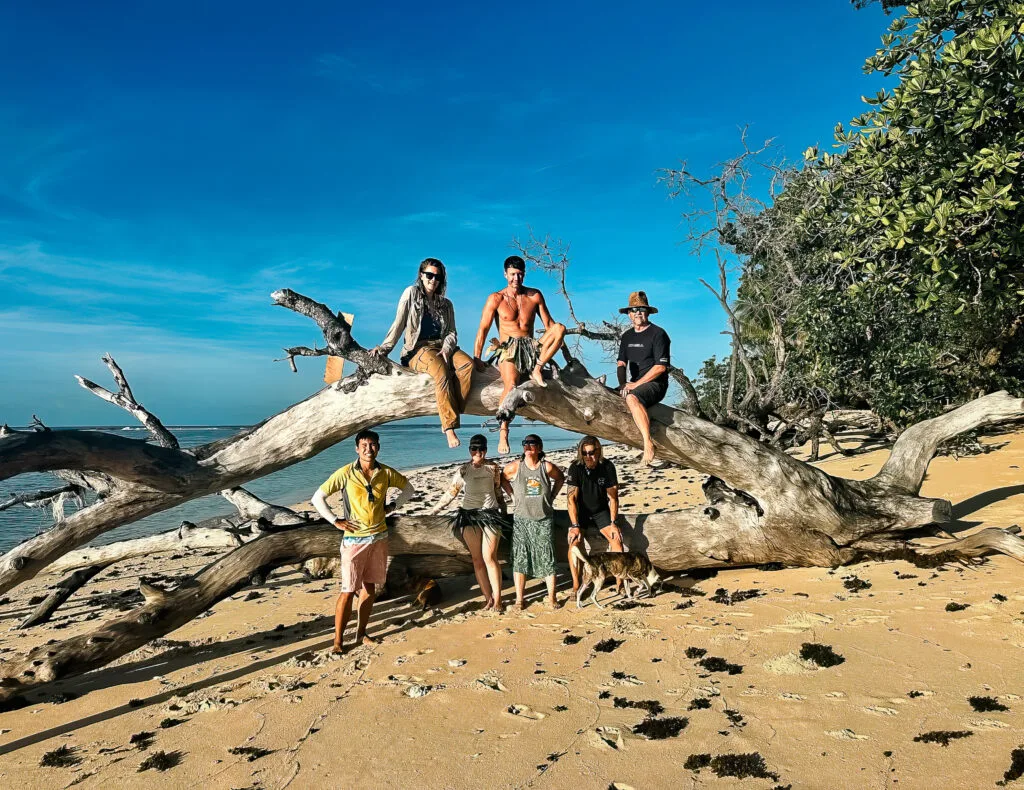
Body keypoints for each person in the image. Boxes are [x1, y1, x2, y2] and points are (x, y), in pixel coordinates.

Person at [311, 429, 414, 654]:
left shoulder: (385, 473)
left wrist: (393, 506)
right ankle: (338, 641)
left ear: (379, 447)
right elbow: (317, 498)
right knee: (348, 590)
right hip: (354, 541)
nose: (369, 449)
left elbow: (409, 488)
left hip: (379, 537)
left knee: (369, 588)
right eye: (364, 445)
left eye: (373, 444)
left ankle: (362, 633)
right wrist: (335, 521)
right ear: (357, 449)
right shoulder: (346, 473)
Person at [373, 258, 473, 448]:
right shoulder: (411, 293)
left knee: (468, 365)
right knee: (441, 371)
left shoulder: (446, 304)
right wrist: (384, 348)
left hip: (442, 346)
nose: (433, 280)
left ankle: (453, 408)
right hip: (417, 349)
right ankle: (449, 427)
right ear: (421, 275)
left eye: (437, 277)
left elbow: (452, 332)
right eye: (429, 275)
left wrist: (446, 348)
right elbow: (399, 323)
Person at [474, 255, 567, 455]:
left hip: (532, 347)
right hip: (509, 349)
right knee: (511, 387)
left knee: (560, 328)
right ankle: (503, 433)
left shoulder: (534, 296)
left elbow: (549, 326)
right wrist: (476, 358)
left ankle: (537, 368)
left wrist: (565, 357)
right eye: (513, 274)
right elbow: (482, 330)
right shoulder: (496, 299)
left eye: (520, 274)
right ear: (505, 274)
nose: (517, 278)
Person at [430, 433, 508, 612]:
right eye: (474, 448)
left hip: (490, 514)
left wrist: (503, 509)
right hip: (468, 516)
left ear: (486, 450)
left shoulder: (493, 468)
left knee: (490, 557)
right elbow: (451, 492)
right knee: (477, 559)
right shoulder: (463, 470)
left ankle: (498, 600)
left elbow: (497, 491)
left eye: (481, 449)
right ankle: (488, 597)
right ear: (470, 450)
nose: (478, 452)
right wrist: (435, 510)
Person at [501, 433, 565, 609]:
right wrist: (512, 495)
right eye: (525, 444)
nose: (528, 447)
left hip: (544, 519)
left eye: (532, 443)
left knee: (548, 558)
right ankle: (520, 600)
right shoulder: (516, 467)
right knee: (520, 559)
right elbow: (501, 478)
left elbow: (560, 478)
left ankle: (552, 597)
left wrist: (551, 496)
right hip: (522, 519)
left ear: (540, 447)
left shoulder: (547, 467)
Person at [616, 291, 671, 465]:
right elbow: (621, 364)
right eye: (634, 309)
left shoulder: (658, 334)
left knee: (632, 397)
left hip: (656, 383)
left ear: (647, 312)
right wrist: (623, 384)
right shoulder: (627, 336)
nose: (638, 312)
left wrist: (635, 386)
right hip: (634, 383)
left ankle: (648, 444)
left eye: (641, 309)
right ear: (629, 314)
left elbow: (660, 367)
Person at [565, 436, 623, 596]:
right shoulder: (575, 468)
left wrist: (613, 522)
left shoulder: (607, 466)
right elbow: (571, 498)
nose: (588, 456)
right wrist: (575, 526)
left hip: (600, 511)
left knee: (617, 540)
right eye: (584, 453)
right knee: (573, 545)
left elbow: (613, 497)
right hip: (581, 511)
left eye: (591, 452)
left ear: (598, 451)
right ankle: (577, 586)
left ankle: (620, 584)